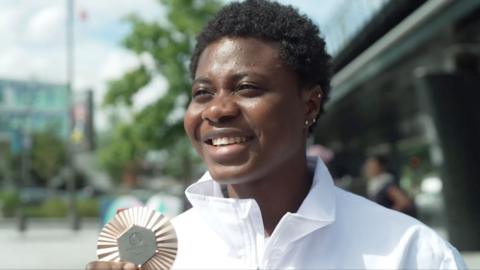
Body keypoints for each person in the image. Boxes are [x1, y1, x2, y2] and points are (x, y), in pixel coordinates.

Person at [87, 0, 466, 269]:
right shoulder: (157, 256)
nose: (218, 109)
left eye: (248, 88)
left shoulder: (410, 254)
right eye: (203, 93)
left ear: (309, 105)